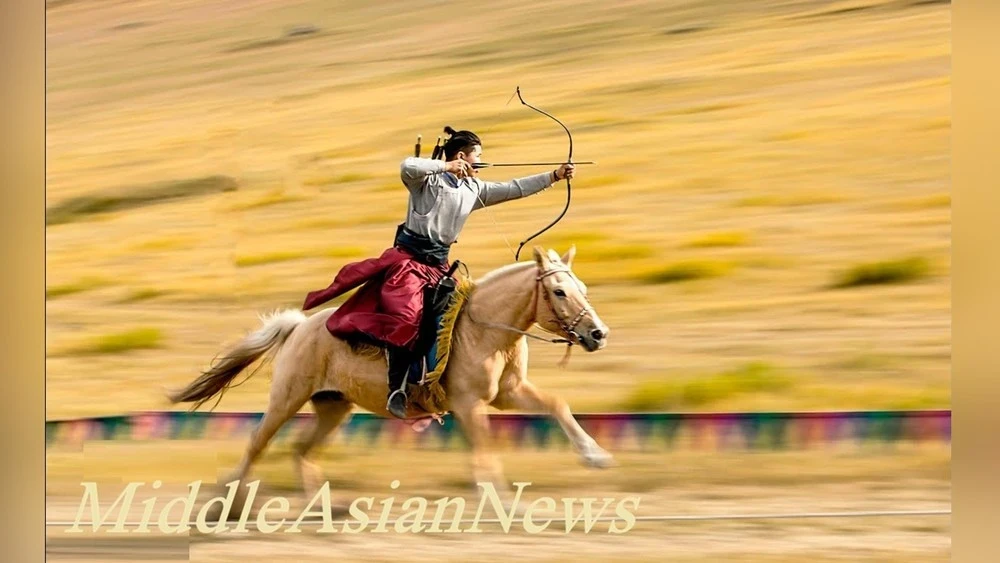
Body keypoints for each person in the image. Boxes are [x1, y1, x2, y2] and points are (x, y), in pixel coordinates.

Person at [302, 127, 576, 419]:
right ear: (461, 157)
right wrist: (446, 166)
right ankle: (398, 388)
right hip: (407, 265)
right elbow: (406, 166)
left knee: (461, 320)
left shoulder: (474, 189)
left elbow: (515, 187)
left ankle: (438, 386)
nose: (481, 163)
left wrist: (554, 176)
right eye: (477, 157)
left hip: (440, 268)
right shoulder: (426, 182)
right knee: (407, 319)